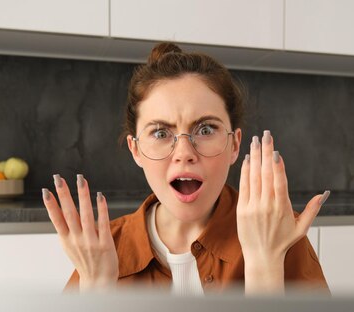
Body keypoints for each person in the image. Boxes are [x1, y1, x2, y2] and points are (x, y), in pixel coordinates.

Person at [42, 42, 330, 295]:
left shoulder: (278, 231)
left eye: (205, 129)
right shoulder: (102, 249)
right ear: (136, 149)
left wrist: (264, 263)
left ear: (234, 144)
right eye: (160, 133)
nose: (184, 154)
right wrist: (96, 290)